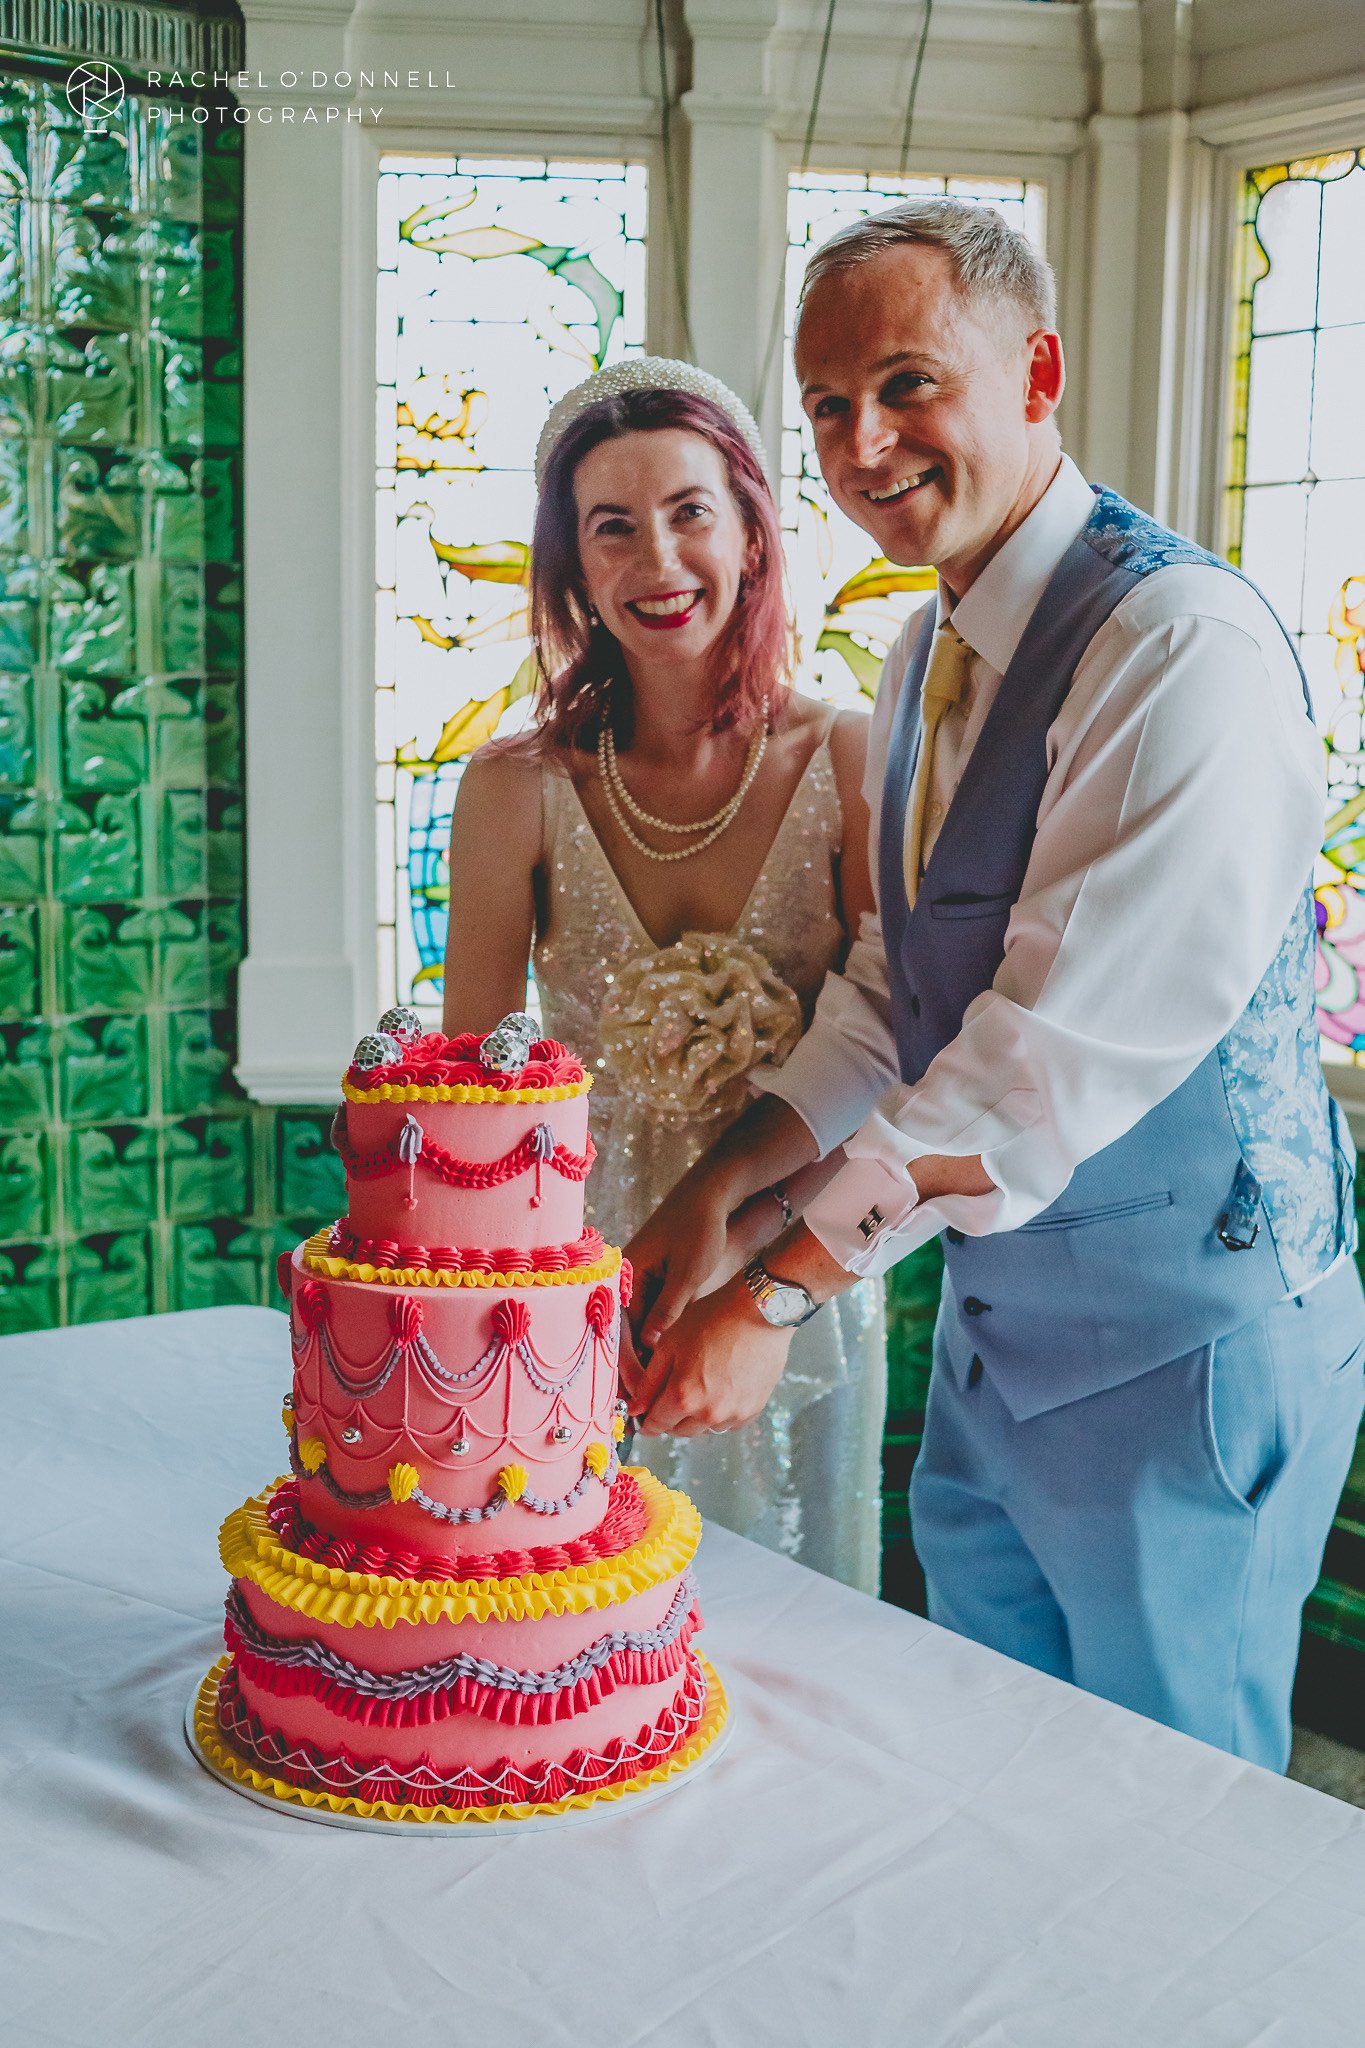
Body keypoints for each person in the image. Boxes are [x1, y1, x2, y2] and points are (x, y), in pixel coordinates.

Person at [623, 202, 1365, 1771]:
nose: (861, 441)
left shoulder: (1181, 651)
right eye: (826, 406)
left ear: (1036, 370)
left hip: (1189, 1353)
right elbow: (902, 987)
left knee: (1171, 1818)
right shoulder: (915, 659)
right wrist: (724, 1187)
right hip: (995, 1346)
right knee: (1001, 1782)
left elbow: (1032, 1073)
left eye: (905, 383)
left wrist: (770, 1295)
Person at [441, 357, 887, 1593]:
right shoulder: (514, 789)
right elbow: (475, 1099)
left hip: (799, 1267)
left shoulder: (851, 758)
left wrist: (754, 1276)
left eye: (691, 511)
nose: (658, 561)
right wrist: (520, 1330)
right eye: (612, 528)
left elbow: (895, 1055)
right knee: (578, 1628)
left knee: (798, 1638)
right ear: (572, 565)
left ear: (752, 529)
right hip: (591, 1287)